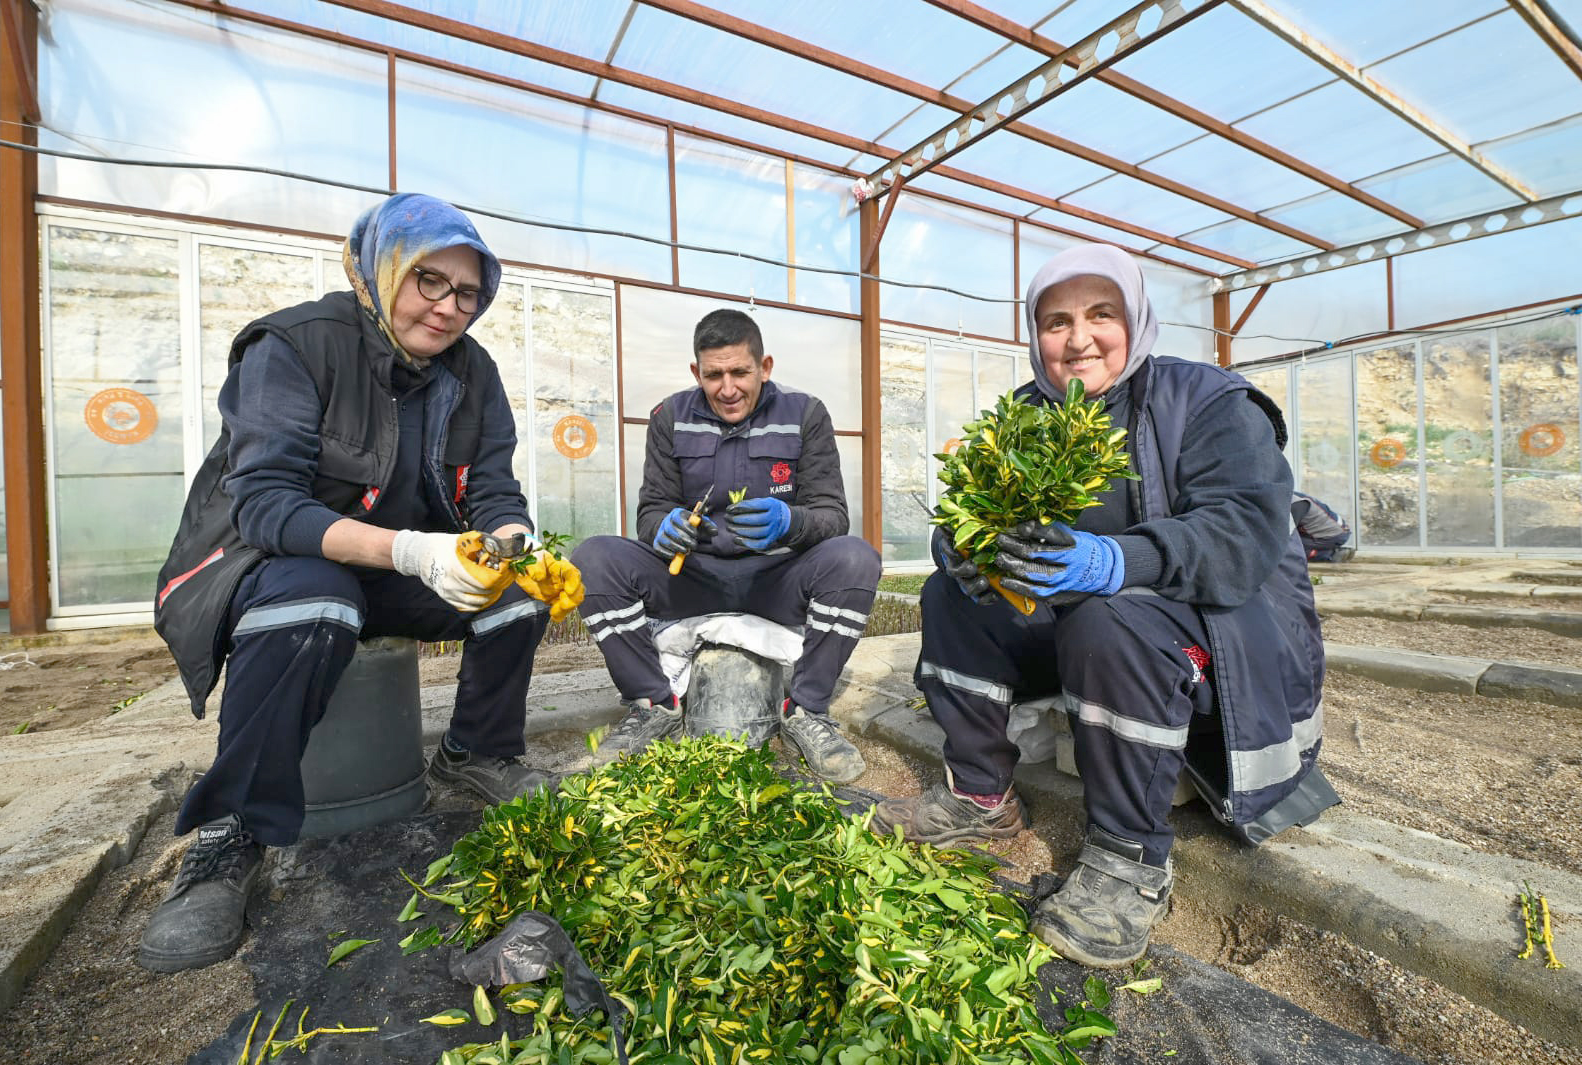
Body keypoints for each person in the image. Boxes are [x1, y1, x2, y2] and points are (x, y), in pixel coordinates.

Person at [142, 193, 583, 972]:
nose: (450, 308)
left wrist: (512, 547)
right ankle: (232, 832)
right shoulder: (297, 344)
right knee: (319, 598)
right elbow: (270, 506)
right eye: (429, 281)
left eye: (469, 291)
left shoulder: (473, 374)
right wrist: (417, 552)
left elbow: (495, 491)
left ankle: (476, 750)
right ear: (380, 269)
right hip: (261, 562)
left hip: (388, 563)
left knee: (519, 597)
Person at [871, 244, 1336, 968]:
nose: (1077, 337)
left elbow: (1242, 534)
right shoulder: (1025, 416)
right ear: (1035, 335)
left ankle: (1128, 857)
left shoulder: (1209, 402)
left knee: (1103, 612)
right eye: (1056, 320)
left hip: (1215, 641)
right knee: (950, 597)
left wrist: (1115, 559)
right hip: (1089, 640)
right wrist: (956, 547)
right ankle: (981, 799)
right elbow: (970, 510)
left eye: (1100, 314)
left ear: (1136, 317)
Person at [571, 309, 881, 783]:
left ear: (766, 366)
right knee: (594, 558)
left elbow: (833, 516)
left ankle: (806, 712)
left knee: (856, 559)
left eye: (740, 372)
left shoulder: (805, 415)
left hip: (776, 579)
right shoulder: (670, 417)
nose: (727, 388)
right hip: (693, 577)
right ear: (697, 372)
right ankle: (652, 704)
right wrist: (662, 528)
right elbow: (650, 510)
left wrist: (789, 522)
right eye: (713, 375)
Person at [1292, 490, 1351, 562]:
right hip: (1335, 530)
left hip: (1333, 535)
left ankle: (1330, 555)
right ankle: (1329, 550)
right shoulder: (1292, 496)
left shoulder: (1295, 503)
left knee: (1290, 548)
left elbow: (1285, 534)